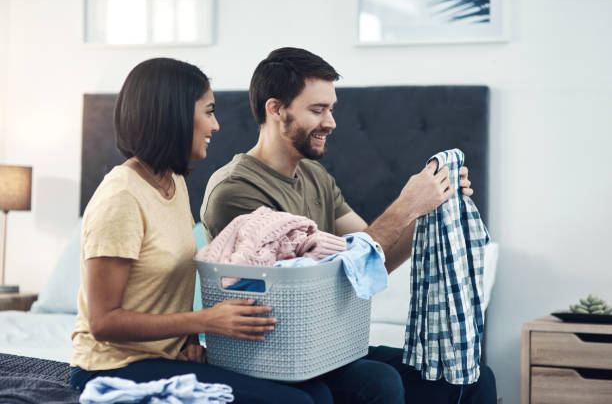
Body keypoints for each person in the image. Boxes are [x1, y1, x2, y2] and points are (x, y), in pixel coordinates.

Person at [201, 47, 498, 404]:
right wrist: (405, 204)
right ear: (276, 109)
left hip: (326, 345)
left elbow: (373, 260)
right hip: (276, 352)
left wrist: (430, 209)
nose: (331, 122)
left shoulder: (314, 176)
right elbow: (324, 281)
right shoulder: (235, 190)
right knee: (379, 381)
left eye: (331, 109)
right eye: (318, 110)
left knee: (472, 376)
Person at [70, 57, 334, 404]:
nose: (217, 125)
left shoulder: (173, 181)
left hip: (165, 355)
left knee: (314, 391)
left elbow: (162, 291)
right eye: (208, 112)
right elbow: (104, 323)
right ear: (175, 116)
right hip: (111, 366)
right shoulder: (121, 197)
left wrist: (190, 339)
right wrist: (203, 321)